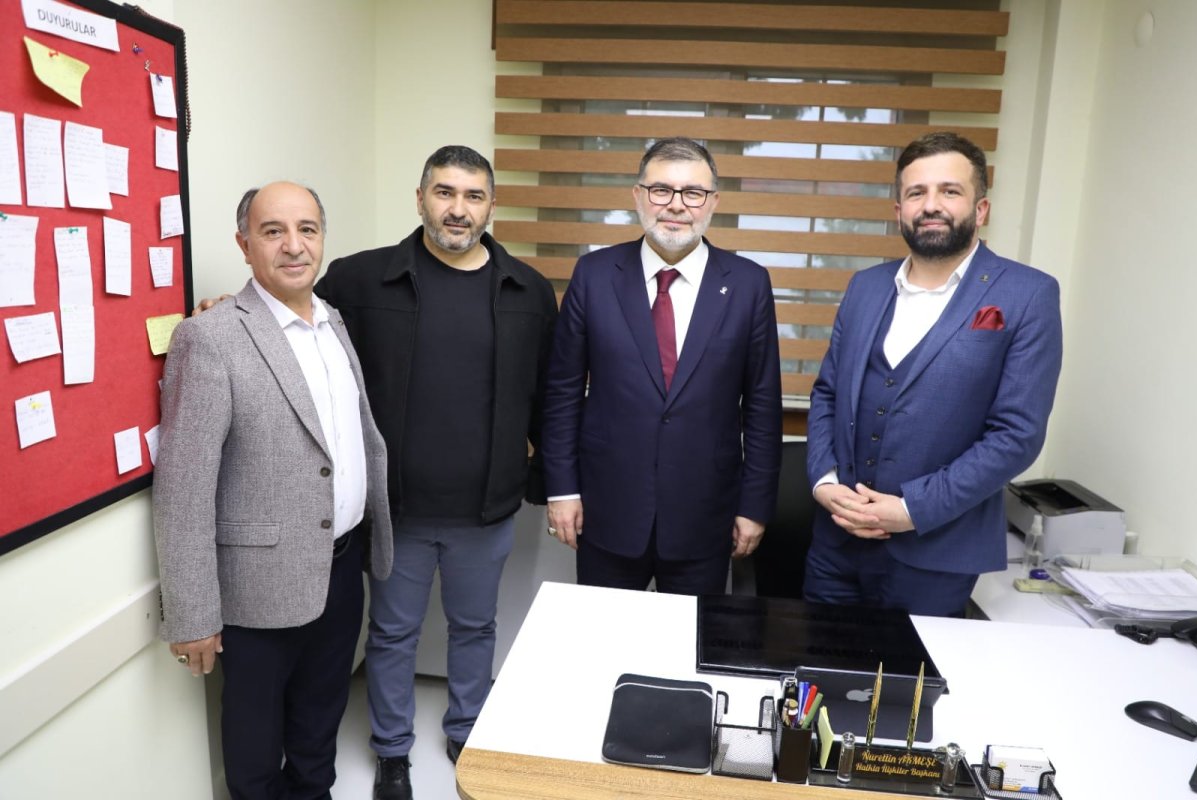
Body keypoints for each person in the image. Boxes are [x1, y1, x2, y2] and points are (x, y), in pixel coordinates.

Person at [314, 146, 557, 800]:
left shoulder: (528, 291)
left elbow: (549, 396)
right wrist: (227, 308)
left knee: (476, 628)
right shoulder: (361, 280)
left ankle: (467, 731)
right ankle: (392, 751)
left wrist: (547, 481)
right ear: (420, 198)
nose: (458, 209)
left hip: (486, 508)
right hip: (397, 510)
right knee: (393, 633)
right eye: (445, 192)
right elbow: (293, 331)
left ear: (491, 206)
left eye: (473, 196)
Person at [153, 181, 393, 800]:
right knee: (255, 748)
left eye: (307, 229)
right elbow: (183, 488)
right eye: (273, 231)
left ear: (322, 238)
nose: (293, 246)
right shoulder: (210, 337)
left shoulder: (334, 323)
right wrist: (193, 614)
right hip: (257, 589)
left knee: (320, 725)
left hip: (340, 571)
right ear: (244, 245)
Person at [804, 131, 1063, 617]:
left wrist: (911, 510)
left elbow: (1016, 435)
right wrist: (824, 483)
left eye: (950, 191)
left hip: (937, 554)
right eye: (916, 192)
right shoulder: (864, 287)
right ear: (898, 209)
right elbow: (827, 394)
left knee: (911, 671)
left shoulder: (1028, 295)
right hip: (835, 547)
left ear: (980, 209)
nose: (931, 205)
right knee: (818, 661)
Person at [542, 137, 783, 595]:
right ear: (638, 196)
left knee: (692, 640)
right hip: (606, 512)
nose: (676, 205)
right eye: (661, 190)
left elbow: (762, 408)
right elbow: (562, 394)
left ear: (713, 202)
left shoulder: (749, 284)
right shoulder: (594, 275)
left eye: (693, 192)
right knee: (604, 637)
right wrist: (562, 491)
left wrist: (754, 507)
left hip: (706, 517)